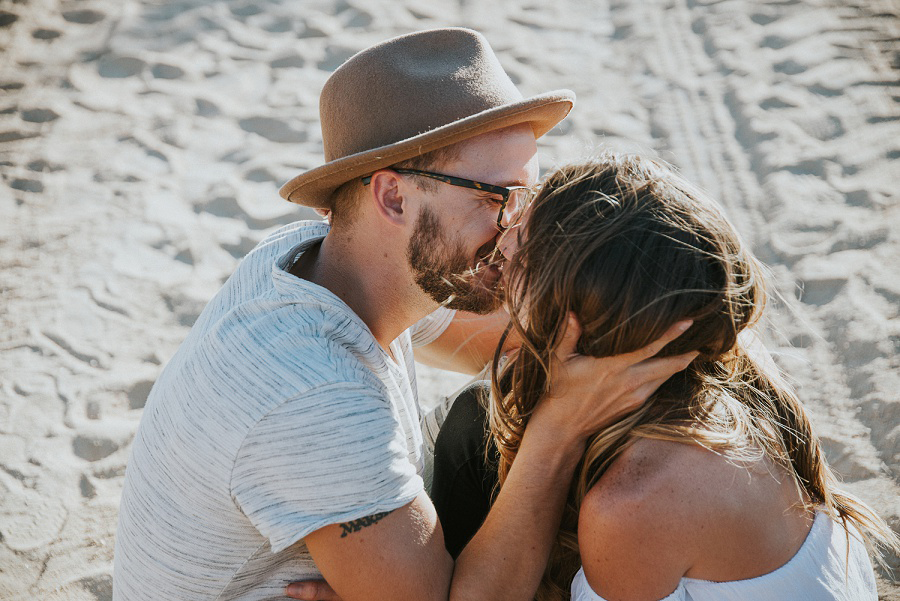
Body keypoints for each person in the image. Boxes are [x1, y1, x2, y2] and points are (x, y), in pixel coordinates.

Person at [112, 29, 696, 601]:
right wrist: (559, 431)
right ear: (393, 197)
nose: (518, 227)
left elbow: (518, 337)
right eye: (497, 196)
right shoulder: (314, 392)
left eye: (528, 196)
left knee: (496, 407)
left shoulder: (334, 262)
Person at [430, 153, 899, 601]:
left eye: (527, 252)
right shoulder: (720, 363)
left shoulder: (634, 501)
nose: (503, 240)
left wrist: (556, 428)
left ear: (576, 324)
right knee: (478, 419)